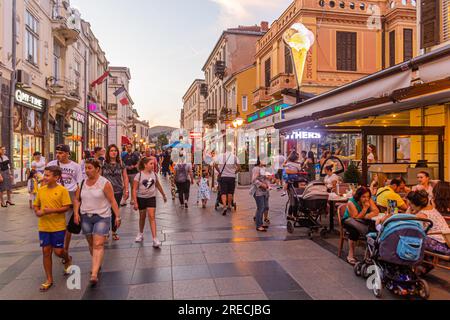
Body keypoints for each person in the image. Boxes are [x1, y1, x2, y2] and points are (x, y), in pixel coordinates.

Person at [73, 159, 121, 287]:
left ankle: (94, 273)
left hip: (102, 216)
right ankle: (97, 263)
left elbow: (112, 201)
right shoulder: (82, 183)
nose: (87, 170)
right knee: (91, 243)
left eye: (89, 168)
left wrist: (117, 216)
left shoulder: (104, 183)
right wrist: (76, 213)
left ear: (97, 169)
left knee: (98, 244)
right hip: (85, 216)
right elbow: (77, 200)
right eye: (86, 168)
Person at [33, 166, 72, 292]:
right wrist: (38, 212)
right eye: (45, 174)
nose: (45, 177)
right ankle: (49, 279)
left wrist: (52, 211)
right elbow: (36, 205)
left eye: (48, 175)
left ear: (56, 177)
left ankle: (67, 259)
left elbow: (66, 207)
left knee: (58, 252)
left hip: (58, 226)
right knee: (46, 251)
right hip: (44, 226)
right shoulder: (41, 190)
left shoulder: (62, 190)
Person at [47, 144, 83, 263]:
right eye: (57, 152)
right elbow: (45, 180)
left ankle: (65, 250)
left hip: (70, 195)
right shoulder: (51, 165)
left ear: (68, 153)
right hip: (55, 196)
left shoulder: (76, 166)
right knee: (56, 224)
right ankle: (58, 247)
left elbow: (79, 184)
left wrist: (77, 200)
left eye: (61, 152)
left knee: (67, 226)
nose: (58, 155)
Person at [133, 157, 167, 246]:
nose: (153, 165)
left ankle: (155, 239)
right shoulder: (139, 175)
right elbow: (134, 189)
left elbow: (158, 185)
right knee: (142, 217)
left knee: (152, 217)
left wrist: (164, 195)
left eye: (153, 164)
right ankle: (140, 233)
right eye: (151, 164)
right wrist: (135, 202)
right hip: (141, 198)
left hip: (151, 198)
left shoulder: (154, 175)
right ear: (145, 165)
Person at [342, 186, 380, 265]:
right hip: (349, 221)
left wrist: (369, 215)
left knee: (375, 228)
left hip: (363, 221)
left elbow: (376, 210)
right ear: (358, 196)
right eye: (363, 197)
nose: (366, 199)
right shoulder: (351, 202)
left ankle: (370, 254)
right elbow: (356, 217)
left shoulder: (368, 200)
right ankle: (350, 254)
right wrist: (365, 209)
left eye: (368, 197)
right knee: (354, 231)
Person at [407, 190, 450, 256]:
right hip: (447, 241)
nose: (410, 206)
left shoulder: (421, 215)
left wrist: (409, 211)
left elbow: (408, 224)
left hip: (442, 246)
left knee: (411, 237)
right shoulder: (431, 208)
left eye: (410, 204)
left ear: (415, 204)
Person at [102, 145, 129, 241]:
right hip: (105, 191)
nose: (114, 152)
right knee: (105, 211)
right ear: (108, 152)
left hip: (118, 190)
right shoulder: (103, 164)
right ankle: (105, 232)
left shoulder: (121, 163)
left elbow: (125, 177)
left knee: (114, 211)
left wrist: (126, 189)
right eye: (111, 151)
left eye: (115, 151)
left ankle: (114, 231)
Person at [214, 147, 241, 216]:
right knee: (230, 192)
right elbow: (239, 168)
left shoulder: (220, 156)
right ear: (231, 150)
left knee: (223, 192)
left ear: (225, 150)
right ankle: (229, 205)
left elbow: (215, 165)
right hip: (231, 177)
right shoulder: (235, 157)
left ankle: (224, 206)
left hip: (223, 177)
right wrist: (234, 172)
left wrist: (219, 171)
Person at [251, 158, 271, 232]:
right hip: (258, 192)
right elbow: (254, 180)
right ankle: (259, 225)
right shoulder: (256, 169)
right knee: (261, 207)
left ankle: (260, 222)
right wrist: (262, 184)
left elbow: (267, 179)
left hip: (265, 191)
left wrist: (269, 180)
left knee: (265, 207)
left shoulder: (264, 168)